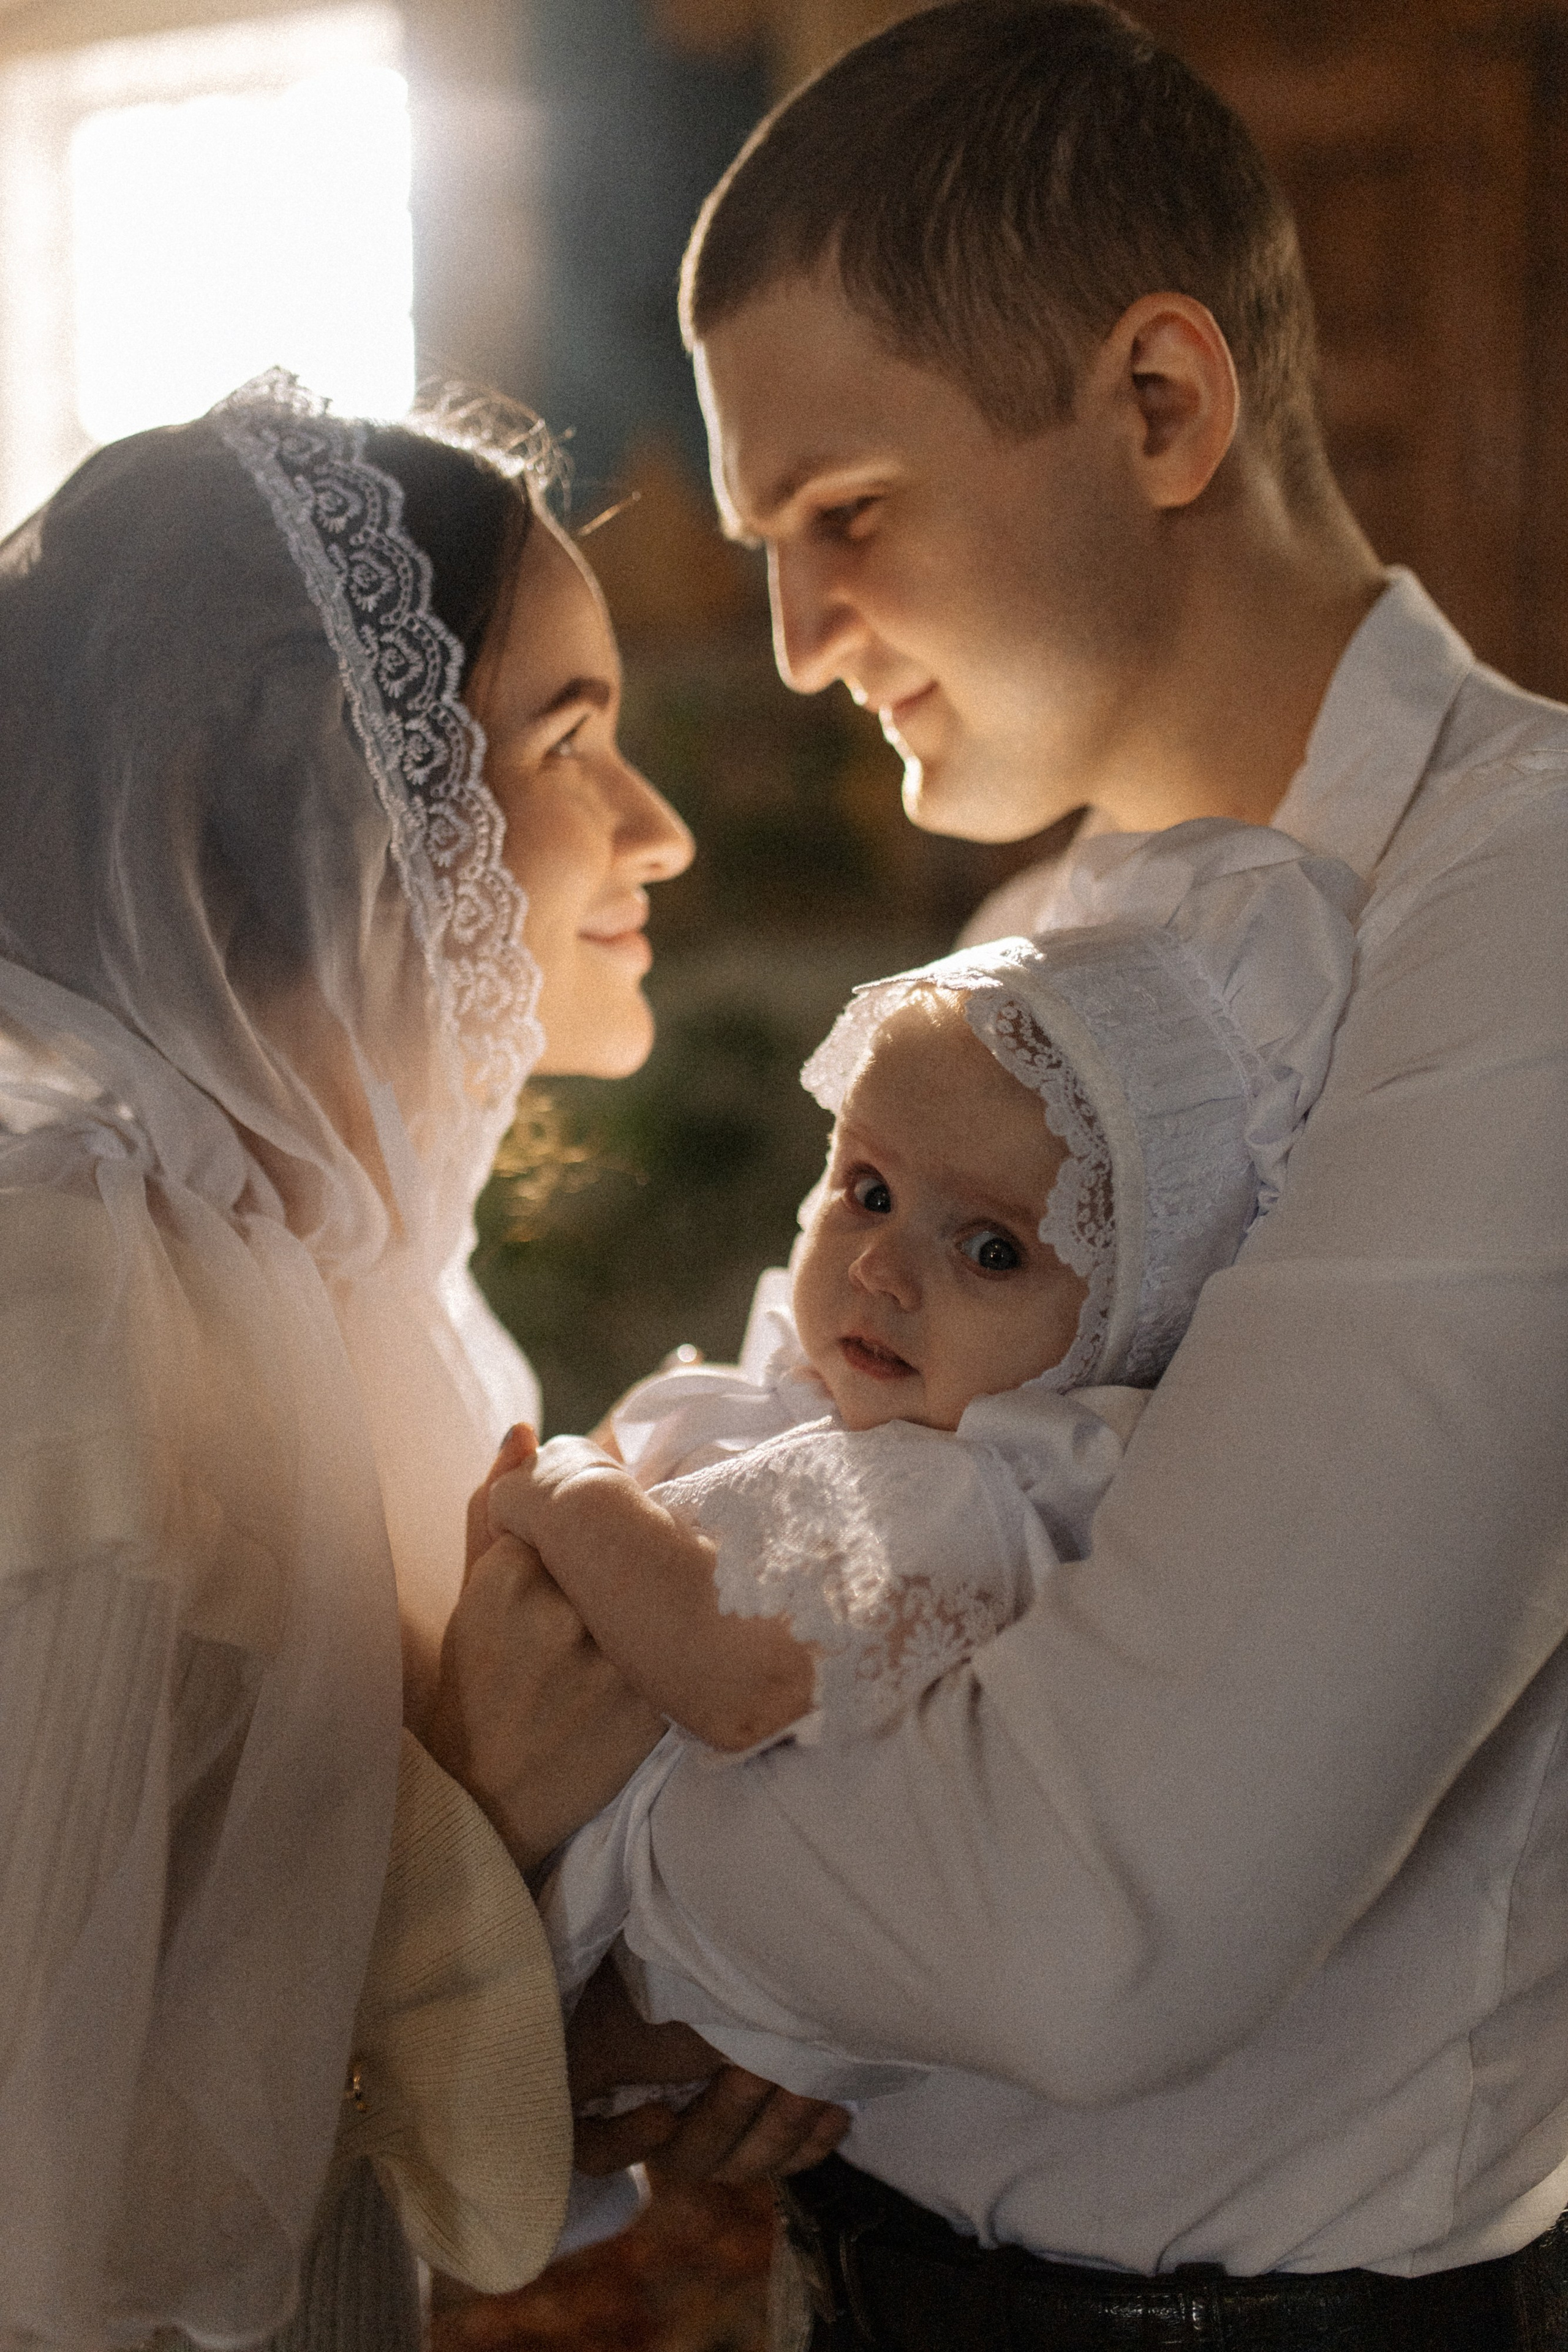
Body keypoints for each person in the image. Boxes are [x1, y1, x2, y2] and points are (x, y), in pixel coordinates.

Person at [443, 4, 1568, 2345]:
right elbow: (801, 1501)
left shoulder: (1531, 905)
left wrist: (608, 1873)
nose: (790, 641)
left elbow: (1100, 1908)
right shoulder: (1015, 951)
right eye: (764, 546)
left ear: (1162, 406)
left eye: (845, 516)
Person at [0, 371, 712, 2351]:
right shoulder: (64, 1303)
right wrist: (475, 1798)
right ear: (336, 800)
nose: (658, 828)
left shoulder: (375, 1291)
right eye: (573, 739)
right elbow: (58, 2194)